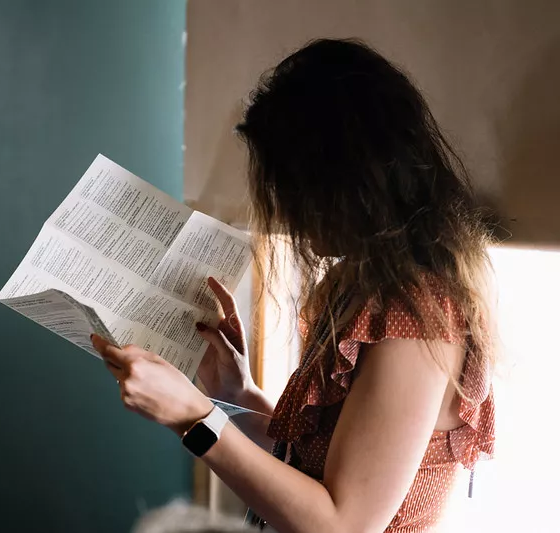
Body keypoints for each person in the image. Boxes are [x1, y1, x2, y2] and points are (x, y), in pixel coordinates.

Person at [92, 38, 496, 533]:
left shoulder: (418, 317)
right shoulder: (359, 285)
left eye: (289, 186)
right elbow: (310, 468)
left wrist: (193, 417)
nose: (282, 208)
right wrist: (233, 394)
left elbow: (341, 524)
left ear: (344, 179)